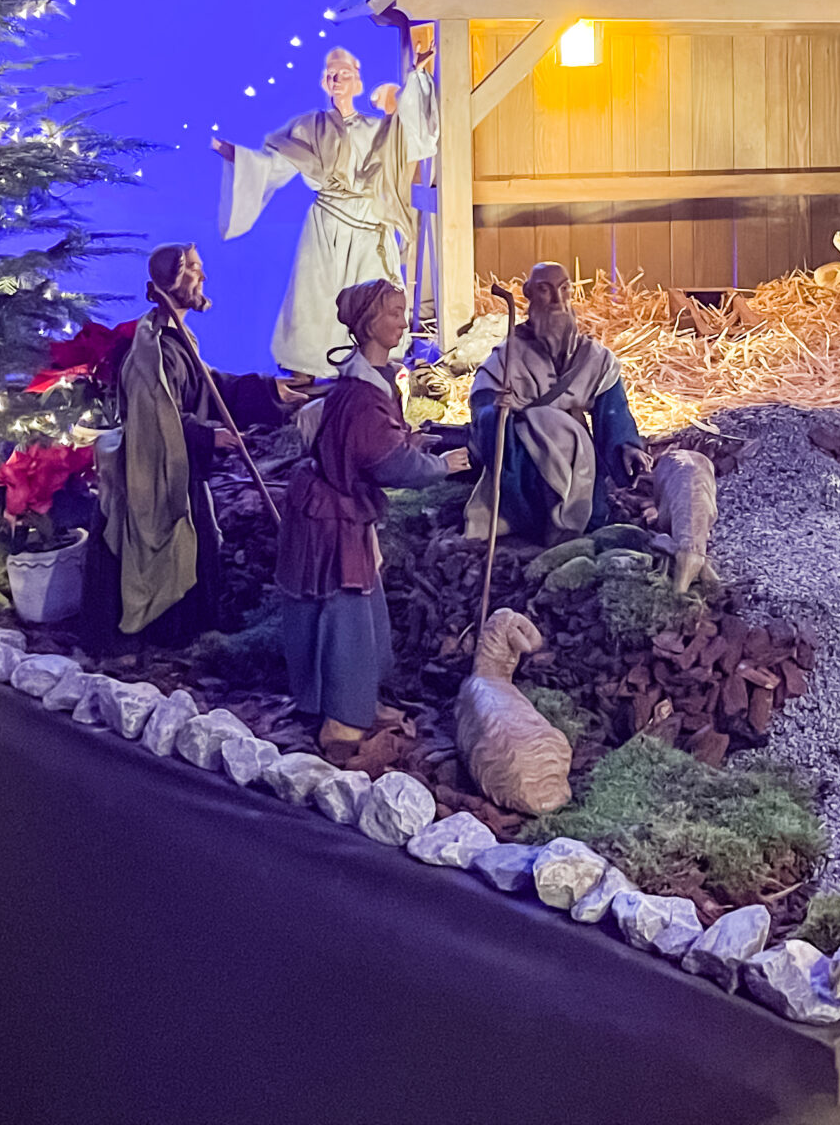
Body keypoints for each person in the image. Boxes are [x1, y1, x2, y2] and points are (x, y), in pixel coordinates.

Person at [278, 280, 449, 758]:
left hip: (347, 514)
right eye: (393, 313)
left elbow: (382, 442)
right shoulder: (359, 394)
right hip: (330, 521)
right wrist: (440, 466)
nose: (402, 321)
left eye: (403, 311)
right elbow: (386, 462)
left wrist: (411, 442)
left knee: (363, 614)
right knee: (343, 616)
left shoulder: (376, 380)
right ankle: (341, 722)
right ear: (370, 323)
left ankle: (360, 704)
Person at [98, 244, 301, 645]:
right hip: (161, 478)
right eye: (193, 269)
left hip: (185, 471)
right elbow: (157, 418)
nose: (202, 277)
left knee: (202, 548)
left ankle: (190, 634)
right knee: (182, 551)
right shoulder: (155, 352)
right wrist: (209, 436)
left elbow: (211, 386)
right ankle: (167, 640)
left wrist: (268, 390)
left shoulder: (177, 340)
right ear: (170, 280)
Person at [215, 41, 438, 376]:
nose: (337, 80)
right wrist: (237, 157)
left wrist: (416, 75)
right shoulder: (309, 128)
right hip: (326, 230)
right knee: (315, 303)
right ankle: (307, 373)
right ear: (324, 81)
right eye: (331, 74)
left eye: (344, 74)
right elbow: (275, 165)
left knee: (373, 303)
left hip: (368, 230)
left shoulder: (376, 130)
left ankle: (373, 370)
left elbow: (414, 139)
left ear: (357, 82)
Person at [465, 262, 646, 542]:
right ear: (529, 294)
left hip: (579, 463)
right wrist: (497, 412)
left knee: (593, 512)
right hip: (528, 463)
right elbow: (484, 408)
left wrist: (627, 447)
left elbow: (613, 412)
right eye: (545, 290)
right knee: (532, 511)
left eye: (564, 289)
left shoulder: (594, 358)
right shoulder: (508, 356)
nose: (557, 300)